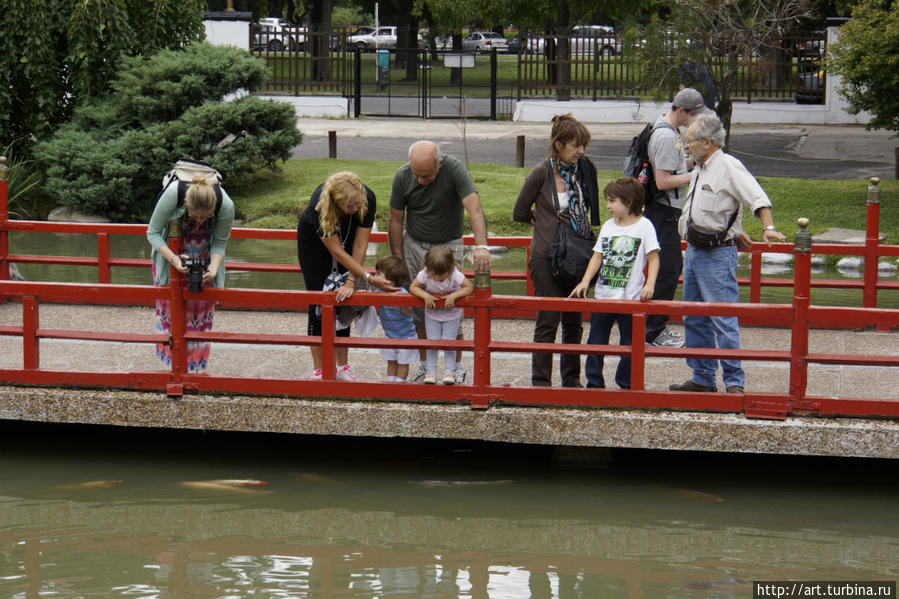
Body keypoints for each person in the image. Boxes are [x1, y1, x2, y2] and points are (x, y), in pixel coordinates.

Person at [670, 113, 786, 394]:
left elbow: (756, 196)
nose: (686, 146)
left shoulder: (729, 166)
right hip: (696, 250)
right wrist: (735, 228)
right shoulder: (700, 167)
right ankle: (703, 377)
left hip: (717, 254)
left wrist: (767, 227)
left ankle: (734, 382)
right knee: (693, 317)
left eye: (690, 141)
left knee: (723, 318)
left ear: (707, 142)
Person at [388, 140, 491, 384]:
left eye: (427, 175)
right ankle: (427, 366)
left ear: (440, 164)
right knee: (420, 309)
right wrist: (398, 258)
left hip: (449, 244)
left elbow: (474, 208)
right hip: (414, 243)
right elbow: (394, 219)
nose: (421, 180)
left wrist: (482, 246)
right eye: (417, 175)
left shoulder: (454, 169)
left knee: (454, 306)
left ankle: (455, 367)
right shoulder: (403, 176)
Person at [512, 113, 600, 387]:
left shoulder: (586, 169)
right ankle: (541, 383)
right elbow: (519, 211)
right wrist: (543, 222)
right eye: (575, 145)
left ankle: (571, 381)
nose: (581, 151)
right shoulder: (542, 171)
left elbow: (591, 210)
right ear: (558, 144)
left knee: (574, 322)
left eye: (583, 145)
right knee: (548, 320)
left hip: (578, 255)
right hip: (547, 255)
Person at [297, 171, 398, 381]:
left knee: (344, 299)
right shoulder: (321, 203)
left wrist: (352, 280)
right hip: (316, 243)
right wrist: (369, 278)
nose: (354, 209)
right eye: (349, 206)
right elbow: (336, 252)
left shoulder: (366, 199)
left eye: (357, 204)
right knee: (319, 300)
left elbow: (360, 244)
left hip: (350, 238)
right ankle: (320, 368)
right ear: (336, 203)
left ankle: (342, 366)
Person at [570, 177, 659, 389]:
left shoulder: (645, 226)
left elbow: (654, 257)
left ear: (627, 202)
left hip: (631, 297)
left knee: (630, 343)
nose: (608, 206)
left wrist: (650, 284)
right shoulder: (609, 226)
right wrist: (585, 281)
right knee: (596, 342)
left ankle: (626, 382)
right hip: (604, 295)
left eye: (612, 201)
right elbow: (597, 256)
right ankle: (594, 382)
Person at [644, 87, 711, 350]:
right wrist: (696, 176)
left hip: (664, 211)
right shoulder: (665, 136)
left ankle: (652, 327)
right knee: (668, 269)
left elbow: (673, 167)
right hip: (662, 210)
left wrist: (693, 162)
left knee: (667, 268)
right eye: (693, 115)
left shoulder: (667, 131)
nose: (695, 120)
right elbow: (662, 181)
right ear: (681, 111)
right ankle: (652, 329)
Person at [147, 174, 235, 374]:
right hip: (170, 255)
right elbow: (152, 232)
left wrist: (213, 268)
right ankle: (175, 367)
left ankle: (197, 368)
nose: (201, 220)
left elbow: (220, 242)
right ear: (186, 204)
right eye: (195, 216)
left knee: (202, 315)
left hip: (205, 254)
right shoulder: (173, 194)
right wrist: (174, 259)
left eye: (207, 216)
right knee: (169, 311)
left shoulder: (226, 205)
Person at [408, 245, 474, 385]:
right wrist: (425, 295)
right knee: (432, 342)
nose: (436, 278)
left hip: (452, 315)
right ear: (428, 268)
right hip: (432, 314)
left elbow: (469, 287)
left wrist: (455, 295)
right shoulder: (426, 273)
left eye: (440, 275)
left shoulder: (454, 274)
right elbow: (413, 287)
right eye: (434, 274)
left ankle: (449, 371)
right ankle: (431, 371)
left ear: (449, 269)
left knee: (449, 343)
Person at [373, 255, 418, 382]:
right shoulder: (379, 292)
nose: (375, 277)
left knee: (403, 362)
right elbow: (370, 300)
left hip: (406, 335)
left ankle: (400, 384)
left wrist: (401, 302)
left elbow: (409, 311)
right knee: (391, 360)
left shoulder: (402, 293)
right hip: (389, 335)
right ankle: (391, 382)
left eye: (379, 274)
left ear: (392, 278)